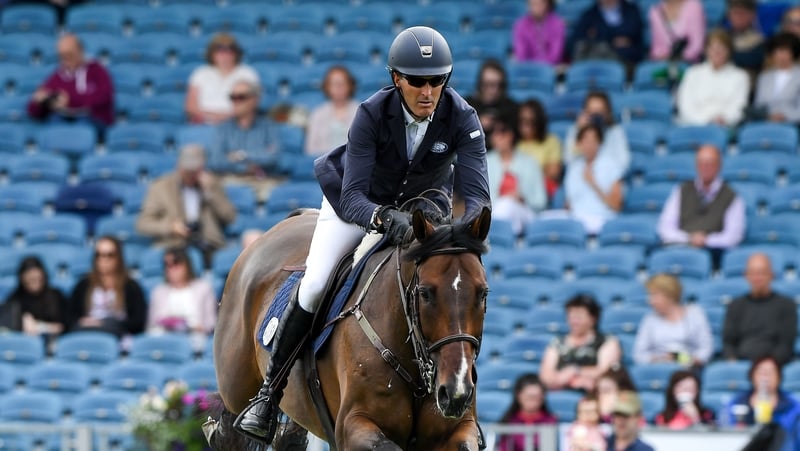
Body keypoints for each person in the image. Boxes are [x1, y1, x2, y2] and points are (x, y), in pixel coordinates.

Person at [236, 26, 492, 443]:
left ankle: (461, 395)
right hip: (356, 207)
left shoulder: (463, 117)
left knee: (455, 287)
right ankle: (269, 394)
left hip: (424, 212)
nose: (428, 91)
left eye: (437, 81)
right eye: (418, 81)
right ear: (397, 78)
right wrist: (383, 217)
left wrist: (463, 233)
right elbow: (353, 196)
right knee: (316, 283)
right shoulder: (372, 114)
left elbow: (478, 196)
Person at [137, 144, 237, 261]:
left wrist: (211, 193)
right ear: (179, 167)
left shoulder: (213, 184)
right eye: (187, 170)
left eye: (195, 171)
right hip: (174, 245)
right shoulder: (160, 187)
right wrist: (171, 227)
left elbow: (230, 217)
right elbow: (143, 224)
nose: (191, 175)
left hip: (208, 245)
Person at [657, 144, 746, 268]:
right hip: (680, 249)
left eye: (710, 163)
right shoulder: (682, 190)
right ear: (696, 165)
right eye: (702, 163)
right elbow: (665, 228)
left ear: (719, 165)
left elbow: (733, 237)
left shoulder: (732, 196)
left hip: (714, 256)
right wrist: (690, 238)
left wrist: (706, 240)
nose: (705, 167)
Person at [207, 79, 282, 201]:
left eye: (241, 97)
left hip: (261, 181)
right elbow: (215, 161)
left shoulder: (268, 126)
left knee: (278, 195)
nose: (235, 102)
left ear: (254, 100)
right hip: (231, 180)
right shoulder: (223, 128)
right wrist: (244, 168)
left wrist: (241, 155)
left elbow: (274, 157)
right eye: (232, 97)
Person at [26, 33, 114, 133]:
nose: (65, 59)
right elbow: (33, 111)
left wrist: (70, 101)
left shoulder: (97, 70)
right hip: (62, 122)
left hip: (92, 123)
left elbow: (104, 99)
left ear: (80, 51)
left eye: (69, 54)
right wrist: (40, 101)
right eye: (62, 56)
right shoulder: (58, 75)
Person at [722, 253, 797, 365]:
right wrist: (732, 362)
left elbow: (786, 344)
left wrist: (768, 365)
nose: (757, 278)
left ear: (771, 275)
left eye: (762, 273)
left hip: (775, 366)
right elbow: (729, 342)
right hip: (741, 364)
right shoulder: (735, 306)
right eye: (753, 273)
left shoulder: (787, 305)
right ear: (746, 275)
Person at [66, 236, 147, 339]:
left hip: (118, 334)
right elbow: (70, 317)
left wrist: (106, 323)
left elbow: (138, 321)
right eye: (99, 255)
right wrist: (83, 321)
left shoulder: (131, 286)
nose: (103, 260)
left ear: (118, 258)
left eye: (109, 255)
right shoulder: (83, 285)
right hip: (88, 332)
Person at [540, 295, 622, 392]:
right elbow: (546, 376)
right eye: (571, 316)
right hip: (560, 389)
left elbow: (606, 371)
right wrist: (572, 381)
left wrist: (576, 371)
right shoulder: (557, 343)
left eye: (579, 317)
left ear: (593, 319)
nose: (574, 321)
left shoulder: (607, 341)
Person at [633, 273, 714, 367]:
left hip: (688, 367)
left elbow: (706, 349)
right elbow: (639, 355)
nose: (650, 301)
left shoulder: (695, 314)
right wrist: (661, 359)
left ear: (670, 296)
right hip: (658, 367)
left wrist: (680, 358)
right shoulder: (649, 319)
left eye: (654, 295)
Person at [146, 247, 217, 351]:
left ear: (186, 265)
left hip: (195, 338)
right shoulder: (158, 292)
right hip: (164, 339)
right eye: (167, 265)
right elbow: (152, 324)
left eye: (176, 263)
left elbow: (211, 324)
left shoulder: (203, 288)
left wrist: (195, 327)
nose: (171, 269)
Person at [487, 115, 546, 235]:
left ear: (511, 135)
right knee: (504, 205)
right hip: (495, 211)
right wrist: (503, 197)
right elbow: (480, 200)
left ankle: (499, 236)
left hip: (525, 212)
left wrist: (522, 198)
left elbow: (541, 201)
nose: (497, 137)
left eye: (502, 133)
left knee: (507, 205)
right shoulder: (486, 162)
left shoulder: (529, 162)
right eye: (494, 133)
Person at [676, 29, 750, 126]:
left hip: (724, 126)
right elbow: (685, 105)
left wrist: (724, 119)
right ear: (706, 50)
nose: (717, 52)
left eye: (721, 48)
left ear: (729, 50)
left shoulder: (740, 76)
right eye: (713, 48)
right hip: (693, 125)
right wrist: (705, 121)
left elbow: (739, 107)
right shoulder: (692, 73)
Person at [185, 33, 259, 124]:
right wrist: (212, 117)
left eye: (229, 50)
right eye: (220, 50)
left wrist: (226, 118)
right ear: (212, 53)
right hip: (204, 123)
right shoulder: (200, 73)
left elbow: (253, 102)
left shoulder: (247, 73)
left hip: (237, 124)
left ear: (236, 53)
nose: (224, 55)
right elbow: (191, 106)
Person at [564, 124, 624, 234]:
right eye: (585, 141)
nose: (589, 145)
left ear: (599, 143)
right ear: (579, 143)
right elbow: (569, 203)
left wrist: (593, 183)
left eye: (593, 141)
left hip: (602, 218)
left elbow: (616, 205)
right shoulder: (574, 167)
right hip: (576, 220)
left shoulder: (610, 165)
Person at [723, 356, 800, 433]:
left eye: (770, 373)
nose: (765, 378)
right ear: (752, 376)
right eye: (761, 373)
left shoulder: (792, 404)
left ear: (779, 377)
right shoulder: (738, 402)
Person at [564, 91, 630, 175]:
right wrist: (579, 132)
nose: (595, 116)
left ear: (607, 113)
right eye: (591, 112)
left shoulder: (615, 132)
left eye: (599, 111)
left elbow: (624, 163)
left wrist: (601, 172)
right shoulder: (576, 130)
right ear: (585, 112)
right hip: (581, 177)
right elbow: (568, 159)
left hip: (607, 178)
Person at [0, 256, 66, 339]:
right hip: (24, 342)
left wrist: (41, 327)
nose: (34, 280)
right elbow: (7, 328)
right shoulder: (15, 299)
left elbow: (66, 325)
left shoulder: (56, 296)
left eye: (36, 277)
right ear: (22, 278)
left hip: (56, 340)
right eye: (30, 278)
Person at [569, 0, 645, 66]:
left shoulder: (632, 11)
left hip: (628, 61)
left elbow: (637, 39)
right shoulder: (589, 15)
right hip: (597, 61)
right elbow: (576, 42)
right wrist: (611, 41)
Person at [305, 65, 360, 156]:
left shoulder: (361, 112)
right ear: (327, 87)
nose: (338, 88)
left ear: (350, 85)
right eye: (334, 84)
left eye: (342, 83)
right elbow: (310, 149)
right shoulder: (318, 114)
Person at [496, 373, 558, 451]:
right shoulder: (509, 421)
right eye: (529, 397)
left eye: (537, 397)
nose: (533, 402)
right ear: (518, 395)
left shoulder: (550, 421)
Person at [516, 98, 562, 202]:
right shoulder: (515, 143)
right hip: (517, 191)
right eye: (521, 120)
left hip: (541, 191)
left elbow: (553, 172)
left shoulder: (551, 141)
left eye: (530, 121)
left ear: (539, 121)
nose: (525, 125)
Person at [466, 59, 518, 143]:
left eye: (499, 85)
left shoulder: (511, 108)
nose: (494, 90)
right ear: (480, 84)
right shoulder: (467, 106)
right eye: (489, 84)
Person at [752, 32, 800, 124]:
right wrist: (768, 116)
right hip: (765, 121)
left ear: (793, 52)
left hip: (793, 123)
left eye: (784, 51)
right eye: (776, 51)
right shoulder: (764, 77)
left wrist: (784, 116)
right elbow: (758, 105)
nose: (779, 55)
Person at [512, 0, 566, 65]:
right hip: (528, 66)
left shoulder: (557, 23)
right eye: (532, 4)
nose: (536, 7)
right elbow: (521, 54)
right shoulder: (520, 24)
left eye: (539, 4)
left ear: (547, 4)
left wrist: (542, 66)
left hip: (551, 67)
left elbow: (556, 55)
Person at [722, 0, 766, 74]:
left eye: (742, 13)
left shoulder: (760, 41)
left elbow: (753, 61)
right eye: (735, 13)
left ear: (752, 16)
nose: (738, 17)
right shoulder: (722, 37)